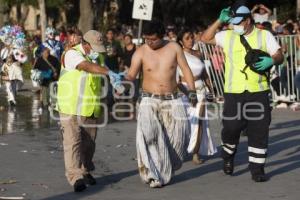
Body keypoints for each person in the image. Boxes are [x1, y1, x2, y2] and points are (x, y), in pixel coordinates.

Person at [201, 5, 284, 182]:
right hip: (234, 92)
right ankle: (228, 155)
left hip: (259, 92)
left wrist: (272, 60)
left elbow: (279, 55)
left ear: (248, 20)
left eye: (238, 22)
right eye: (233, 22)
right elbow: (204, 38)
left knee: (259, 131)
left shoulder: (264, 35)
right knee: (231, 129)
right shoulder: (227, 35)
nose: (235, 26)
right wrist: (219, 21)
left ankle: (257, 170)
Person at [124, 20, 197, 188]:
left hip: (173, 100)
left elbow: (185, 69)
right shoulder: (141, 52)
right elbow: (131, 75)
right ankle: (153, 175)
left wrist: (192, 91)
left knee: (179, 142)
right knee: (149, 138)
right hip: (149, 100)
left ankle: (165, 167)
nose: (149, 42)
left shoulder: (174, 48)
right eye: (147, 39)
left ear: (162, 36)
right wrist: (121, 82)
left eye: (153, 39)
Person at [56, 30, 123, 192]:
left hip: (89, 106)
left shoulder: (97, 56)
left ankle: (85, 170)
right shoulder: (72, 54)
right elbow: (85, 66)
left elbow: (103, 71)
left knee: (89, 143)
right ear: (85, 44)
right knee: (73, 142)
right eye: (94, 48)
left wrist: (115, 81)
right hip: (69, 106)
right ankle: (75, 177)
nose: (97, 52)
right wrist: (108, 72)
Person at [177, 28, 218, 165]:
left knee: (199, 122)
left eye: (191, 37)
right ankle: (181, 150)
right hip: (184, 92)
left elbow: (205, 74)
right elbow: (176, 81)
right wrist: (188, 94)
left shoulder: (199, 53)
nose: (190, 40)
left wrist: (211, 89)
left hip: (201, 92)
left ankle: (195, 152)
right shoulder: (178, 55)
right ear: (180, 41)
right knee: (185, 123)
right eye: (187, 38)